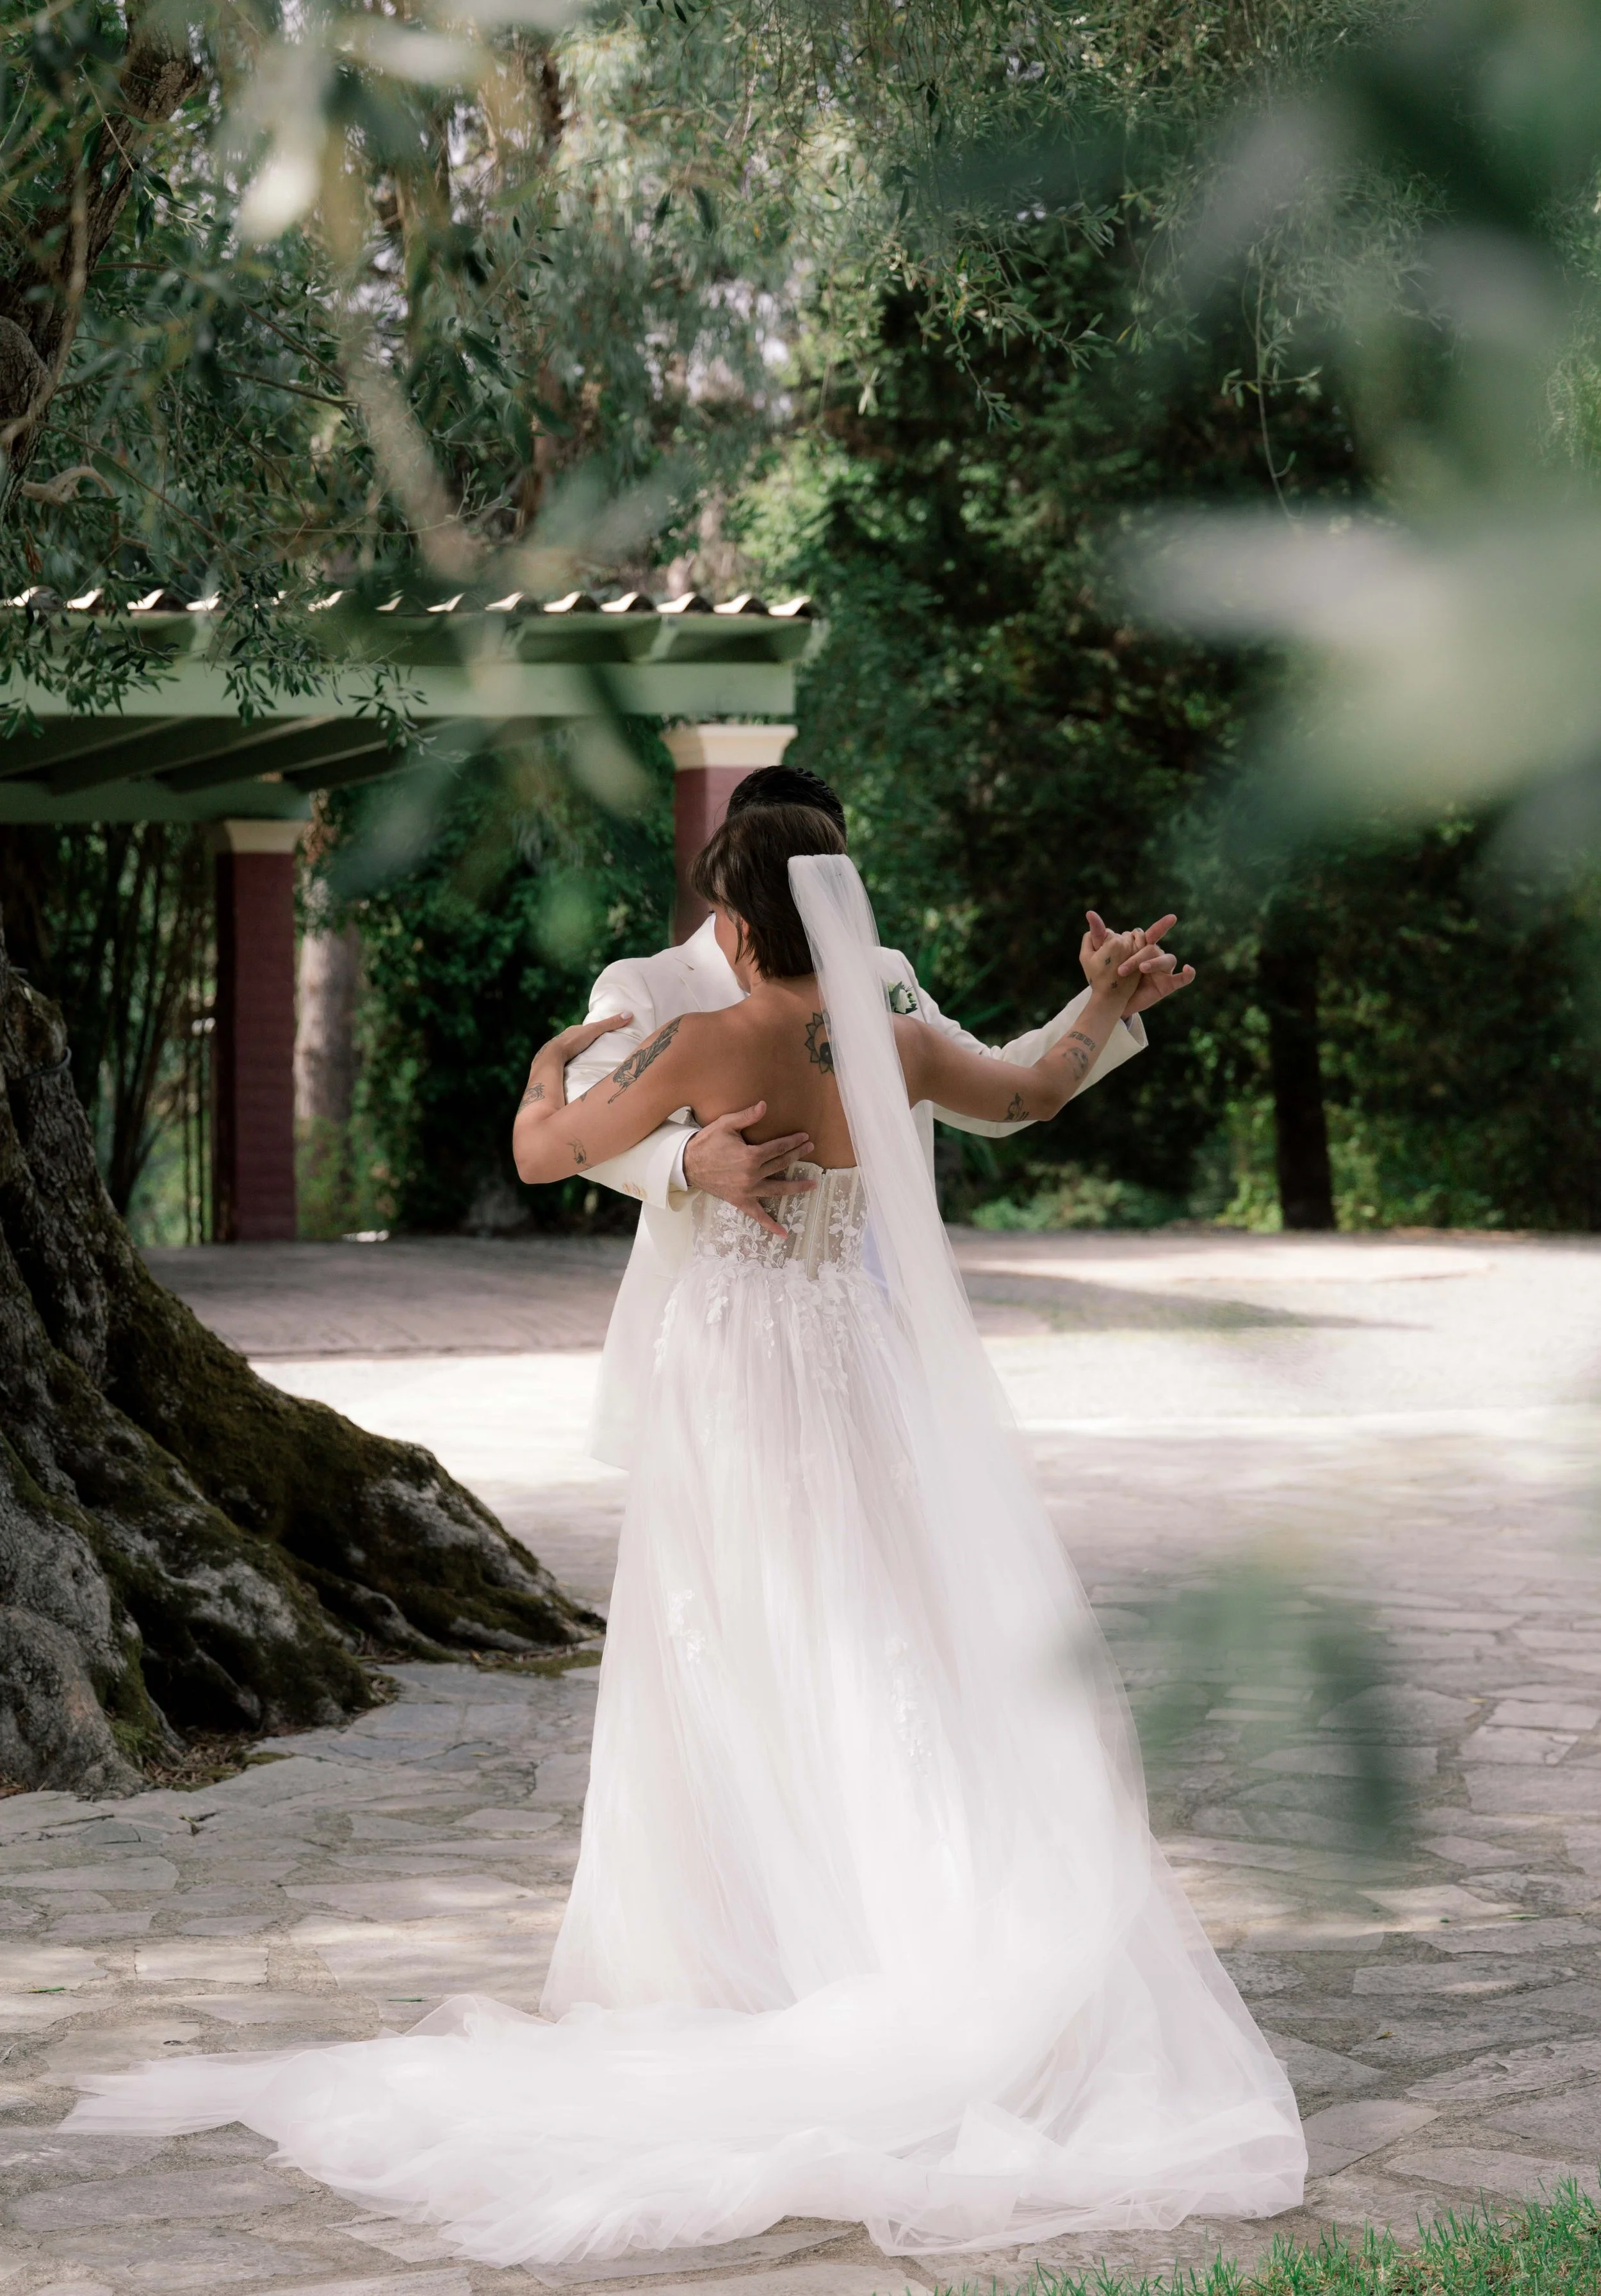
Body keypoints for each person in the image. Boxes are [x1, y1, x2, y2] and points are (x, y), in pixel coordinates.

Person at [69, 804, 1304, 2272]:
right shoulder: (888, 1034)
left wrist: (543, 1079)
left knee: (752, 1643)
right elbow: (1030, 1094)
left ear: (735, 911)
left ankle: (771, 1950)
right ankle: (929, 1932)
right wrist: (1094, 1001)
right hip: (874, 1381)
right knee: (885, 1632)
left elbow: (542, 1149)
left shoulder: (705, 1038)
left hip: (742, 1389)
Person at [565, 762, 1195, 1466]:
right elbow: (577, 1122)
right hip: (713, 1342)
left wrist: (1101, 1007)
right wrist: (684, 1160)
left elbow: (1002, 1093)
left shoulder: (885, 976)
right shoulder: (648, 985)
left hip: (870, 1327)